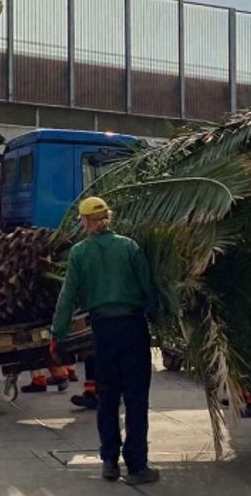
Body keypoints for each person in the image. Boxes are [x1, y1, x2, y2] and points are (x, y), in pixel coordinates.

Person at [50, 197, 159, 485]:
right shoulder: (129, 246)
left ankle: (109, 461)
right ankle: (138, 467)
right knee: (136, 398)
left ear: (86, 222)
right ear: (107, 218)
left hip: (102, 331)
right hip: (133, 328)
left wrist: (57, 334)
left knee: (107, 397)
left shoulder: (79, 253)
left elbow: (68, 296)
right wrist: (157, 317)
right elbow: (148, 289)